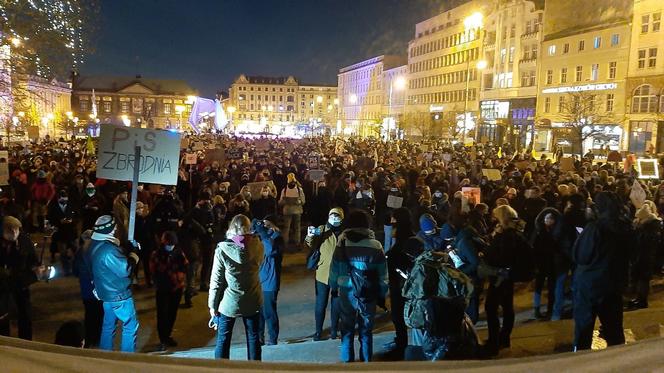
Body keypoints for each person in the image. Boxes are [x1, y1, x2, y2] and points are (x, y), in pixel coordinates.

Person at [572, 192, 633, 351]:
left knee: (584, 332)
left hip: (590, 286)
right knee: (614, 332)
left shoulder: (595, 228)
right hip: (613, 285)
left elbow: (581, 256)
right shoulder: (625, 226)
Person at [329, 210, 388, 363]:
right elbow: (382, 275)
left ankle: (347, 364)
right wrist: (382, 293)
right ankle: (366, 364)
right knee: (366, 332)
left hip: (346, 291)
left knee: (347, 331)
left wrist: (334, 286)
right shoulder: (376, 246)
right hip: (368, 292)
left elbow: (334, 268)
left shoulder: (342, 242)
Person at [208, 214, 263, 360]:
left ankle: (222, 369)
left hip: (230, 301)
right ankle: (255, 370)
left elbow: (216, 281)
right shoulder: (258, 245)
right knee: (253, 338)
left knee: (223, 340)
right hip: (253, 297)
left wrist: (212, 306)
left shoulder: (223, 249)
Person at [484, 205, 531, 355]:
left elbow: (502, 257)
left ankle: (494, 341)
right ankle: (503, 339)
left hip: (501, 276)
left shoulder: (507, 236)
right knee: (506, 307)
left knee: (491, 308)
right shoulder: (513, 232)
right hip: (506, 277)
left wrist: (487, 254)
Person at [90, 215, 140, 352]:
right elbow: (125, 269)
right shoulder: (108, 250)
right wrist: (134, 254)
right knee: (130, 325)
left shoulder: (95, 245)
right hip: (119, 294)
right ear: (110, 230)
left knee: (108, 326)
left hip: (105, 293)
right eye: (115, 227)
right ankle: (127, 357)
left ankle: (105, 355)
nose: (117, 228)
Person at [0, 216, 48, 340]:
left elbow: (33, 261)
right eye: (9, 229)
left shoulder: (25, 241)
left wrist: (39, 269)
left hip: (21, 284)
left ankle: (26, 342)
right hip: (3, 287)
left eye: (16, 229)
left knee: (25, 315)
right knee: (3, 316)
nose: (14, 231)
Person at [384, 207, 423, 357]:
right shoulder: (407, 237)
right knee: (399, 315)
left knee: (399, 315)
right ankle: (401, 341)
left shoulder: (405, 240)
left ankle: (402, 345)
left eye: (393, 219)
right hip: (403, 283)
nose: (391, 222)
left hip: (402, 285)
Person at [305, 207, 344, 341]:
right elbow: (310, 244)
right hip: (322, 273)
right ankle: (318, 331)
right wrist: (310, 235)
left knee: (336, 304)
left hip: (339, 275)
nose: (334, 218)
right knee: (320, 304)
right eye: (332, 215)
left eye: (337, 216)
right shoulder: (321, 230)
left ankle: (334, 331)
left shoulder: (344, 233)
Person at [531, 208, 574, 320]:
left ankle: (551, 310)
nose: (548, 220)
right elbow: (534, 247)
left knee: (552, 287)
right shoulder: (539, 231)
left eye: (550, 218)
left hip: (553, 263)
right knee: (539, 286)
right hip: (542, 263)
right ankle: (537, 309)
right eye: (546, 218)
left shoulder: (558, 232)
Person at [150, 231, 188, 351]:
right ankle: (163, 338)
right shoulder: (157, 254)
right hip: (163, 288)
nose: (170, 246)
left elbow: (185, 266)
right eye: (168, 244)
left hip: (176, 288)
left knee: (172, 313)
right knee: (162, 314)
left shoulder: (179, 253)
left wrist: (179, 279)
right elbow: (154, 269)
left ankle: (168, 336)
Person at [253, 216, 283, 346]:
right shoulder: (259, 237)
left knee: (269, 311)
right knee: (257, 313)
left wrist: (263, 233)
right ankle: (259, 337)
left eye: (266, 225)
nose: (263, 227)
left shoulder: (277, 238)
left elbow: (270, 250)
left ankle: (273, 338)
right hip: (257, 280)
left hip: (270, 281)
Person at [628, 201, 662, 309]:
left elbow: (646, 243)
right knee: (640, 278)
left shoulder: (650, 228)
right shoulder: (649, 227)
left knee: (643, 279)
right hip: (643, 255)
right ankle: (639, 298)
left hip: (646, 256)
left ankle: (642, 300)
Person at [73, 229, 104, 348]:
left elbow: (75, 271)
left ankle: (90, 339)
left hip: (87, 291)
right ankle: (98, 339)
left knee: (90, 315)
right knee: (99, 314)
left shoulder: (80, 253)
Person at [47, 189, 77, 276]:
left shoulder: (71, 205)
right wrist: (59, 221)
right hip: (59, 233)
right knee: (63, 252)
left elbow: (77, 215)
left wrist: (72, 220)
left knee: (75, 251)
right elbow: (50, 219)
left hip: (70, 232)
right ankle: (67, 270)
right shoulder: (53, 207)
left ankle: (76, 268)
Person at [279, 173, 306, 247]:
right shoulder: (299, 189)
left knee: (286, 227)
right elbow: (303, 201)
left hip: (287, 211)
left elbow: (280, 202)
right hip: (297, 211)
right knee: (297, 227)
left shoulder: (284, 190)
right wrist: (298, 202)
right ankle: (297, 242)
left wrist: (285, 201)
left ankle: (285, 243)